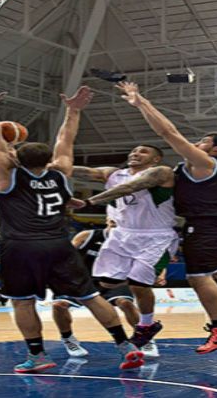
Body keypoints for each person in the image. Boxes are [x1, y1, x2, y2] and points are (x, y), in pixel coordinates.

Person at [0, 82, 143, 373]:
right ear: (48, 160)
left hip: (21, 246)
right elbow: (66, 139)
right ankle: (126, 345)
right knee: (90, 296)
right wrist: (73, 111)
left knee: (22, 303)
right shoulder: (62, 173)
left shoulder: (5, 174)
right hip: (59, 244)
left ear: (16, 158)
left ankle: (38, 356)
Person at [111, 81, 217, 353]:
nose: (198, 142)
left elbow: (167, 132)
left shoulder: (204, 163)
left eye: (205, 140)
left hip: (204, 226)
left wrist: (141, 103)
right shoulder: (209, 167)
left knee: (198, 277)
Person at [69, 144, 177, 352]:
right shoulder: (115, 174)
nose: (135, 154)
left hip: (155, 235)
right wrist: (40, 165)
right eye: (133, 151)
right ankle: (141, 281)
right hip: (123, 234)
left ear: (156, 159)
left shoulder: (162, 172)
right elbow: (82, 171)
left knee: (138, 284)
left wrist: (89, 202)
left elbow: (129, 188)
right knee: (107, 283)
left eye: (143, 151)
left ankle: (146, 324)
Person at [52, 220, 169, 359]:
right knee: (59, 305)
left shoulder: (132, 240)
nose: (115, 220)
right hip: (83, 280)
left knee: (126, 303)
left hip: (115, 280)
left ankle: (146, 338)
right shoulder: (87, 236)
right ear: (107, 219)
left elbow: (152, 259)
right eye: (113, 217)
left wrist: (160, 274)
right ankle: (68, 338)